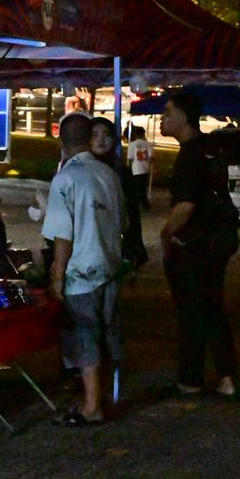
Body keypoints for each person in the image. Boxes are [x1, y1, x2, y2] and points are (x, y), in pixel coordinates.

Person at [41, 112, 124, 425]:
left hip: (81, 273)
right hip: (110, 267)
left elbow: (63, 235)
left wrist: (57, 277)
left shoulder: (66, 179)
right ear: (90, 139)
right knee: (108, 334)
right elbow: (123, 223)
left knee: (87, 337)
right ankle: (106, 399)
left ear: (62, 142)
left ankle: (92, 406)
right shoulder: (109, 175)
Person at [159, 90, 238, 398]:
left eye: (167, 112)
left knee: (193, 310)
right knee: (212, 307)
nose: (162, 118)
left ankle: (191, 378)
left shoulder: (191, 155)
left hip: (197, 244)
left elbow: (186, 206)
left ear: (183, 117)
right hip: (219, 239)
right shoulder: (211, 149)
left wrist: (166, 233)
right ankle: (226, 375)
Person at [93, 117, 148, 268]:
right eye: (95, 135)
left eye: (106, 134)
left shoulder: (121, 172)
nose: (101, 140)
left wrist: (134, 245)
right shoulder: (79, 171)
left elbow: (131, 211)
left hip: (115, 242)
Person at [126, 126, 153, 209]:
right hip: (145, 168)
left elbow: (130, 158)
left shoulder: (132, 144)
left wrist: (129, 168)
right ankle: (144, 203)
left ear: (135, 134)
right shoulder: (148, 144)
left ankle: (138, 203)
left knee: (136, 188)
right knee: (142, 187)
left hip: (136, 168)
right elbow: (151, 156)